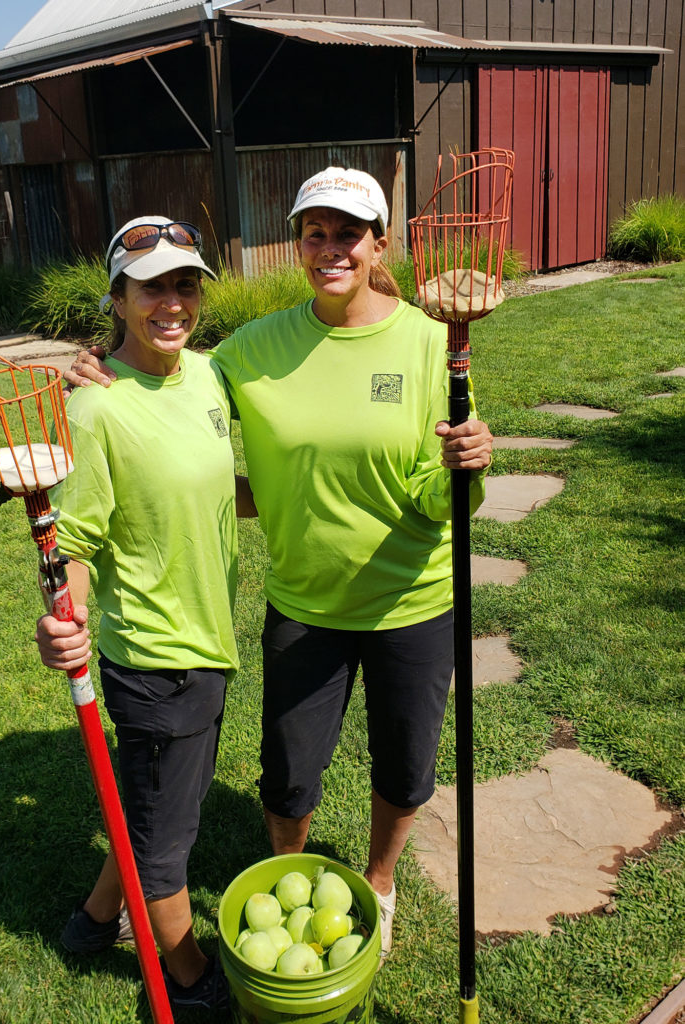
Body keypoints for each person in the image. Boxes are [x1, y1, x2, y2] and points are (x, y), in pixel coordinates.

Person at [63, 169, 493, 962]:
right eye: (314, 233)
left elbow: (442, 503)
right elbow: (167, 379)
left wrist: (466, 471)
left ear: (379, 244)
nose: (329, 248)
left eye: (347, 233)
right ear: (298, 244)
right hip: (303, 603)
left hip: (412, 601)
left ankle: (381, 881)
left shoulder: (434, 343)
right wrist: (100, 365)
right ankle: (284, 871)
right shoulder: (252, 351)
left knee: (404, 769)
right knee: (289, 776)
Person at [35, 215, 256, 1010]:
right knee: (168, 844)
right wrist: (68, 616)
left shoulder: (205, 377)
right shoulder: (96, 409)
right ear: (117, 299)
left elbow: (218, 489)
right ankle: (190, 982)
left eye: (184, 282)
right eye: (151, 286)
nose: (172, 301)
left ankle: (94, 922)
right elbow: (80, 537)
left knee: (152, 803)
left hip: (209, 639)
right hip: (160, 658)